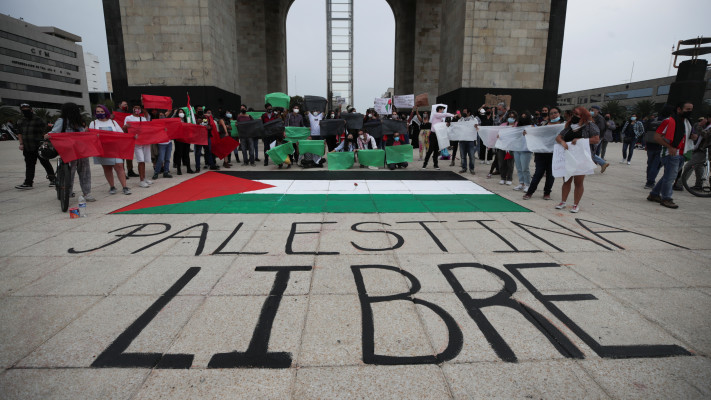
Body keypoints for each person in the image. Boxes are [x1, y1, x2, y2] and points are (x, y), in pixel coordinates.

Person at [647, 101, 695, 209]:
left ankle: (654, 194)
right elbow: (657, 136)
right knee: (670, 177)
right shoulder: (669, 121)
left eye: (691, 109)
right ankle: (666, 198)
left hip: (682, 153)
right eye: (687, 109)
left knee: (668, 176)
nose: (690, 111)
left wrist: (693, 137)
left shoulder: (688, 122)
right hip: (671, 154)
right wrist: (669, 146)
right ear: (679, 109)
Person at [554, 106, 600, 213]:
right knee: (566, 180)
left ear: (583, 115)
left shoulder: (590, 126)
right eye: (573, 114)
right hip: (569, 157)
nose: (574, 116)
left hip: (581, 157)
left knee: (578, 182)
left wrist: (581, 140)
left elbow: (596, 139)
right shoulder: (570, 126)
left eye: (577, 114)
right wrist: (562, 142)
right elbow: (558, 137)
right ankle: (563, 201)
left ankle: (575, 204)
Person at [48, 102, 94, 201]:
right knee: (70, 173)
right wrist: (49, 135)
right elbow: (54, 132)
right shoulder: (62, 121)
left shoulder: (80, 122)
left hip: (81, 150)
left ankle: (86, 193)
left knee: (85, 172)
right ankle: (67, 192)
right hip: (69, 151)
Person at [89, 105, 131, 195]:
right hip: (102, 149)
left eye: (102, 111)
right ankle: (112, 186)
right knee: (107, 168)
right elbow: (91, 136)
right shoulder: (93, 123)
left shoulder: (113, 122)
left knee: (119, 166)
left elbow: (121, 133)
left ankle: (125, 186)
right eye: (98, 112)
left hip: (115, 149)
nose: (100, 113)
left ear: (106, 112)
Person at [523, 106, 562, 200]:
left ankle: (547, 193)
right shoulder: (543, 124)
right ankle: (530, 192)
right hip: (541, 152)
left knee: (551, 174)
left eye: (555, 113)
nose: (553, 115)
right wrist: (528, 132)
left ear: (559, 114)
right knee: (538, 173)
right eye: (551, 113)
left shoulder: (563, 125)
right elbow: (536, 132)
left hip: (554, 153)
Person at [15, 103, 56, 190]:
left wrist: (46, 143)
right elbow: (19, 133)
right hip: (27, 147)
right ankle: (28, 183)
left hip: (39, 145)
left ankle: (53, 180)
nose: (25, 111)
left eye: (27, 109)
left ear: (31, 110)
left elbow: (45, 132)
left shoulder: (38, 120)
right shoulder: (21, 121)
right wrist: (21, 144)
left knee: (45, 162)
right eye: (23, 110)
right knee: (29, 165)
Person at [123, 104, 153, 188]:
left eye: (138, 108)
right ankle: (141, 180)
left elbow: (147, 127)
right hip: (136, 142)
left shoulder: (143, 118)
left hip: (145, 141)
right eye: (135, 107)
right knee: (141, 160)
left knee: (145, 160)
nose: (137, 109)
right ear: (132, 109)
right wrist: (126, 126)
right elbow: (124, 129)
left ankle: (144, 177)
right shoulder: (128, 118)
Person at [682, 114, 711, 190]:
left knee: (689, 166)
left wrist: (699, 126)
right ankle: (698, 185)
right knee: (699, 167)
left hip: (704, 150)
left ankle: (679, 184)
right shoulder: (707, 126)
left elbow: (706, 135)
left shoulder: (706, 127)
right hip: (700, 149)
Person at [422, 105, 454, 170]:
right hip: (433, 134)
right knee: (430, 150)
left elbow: (442, 126)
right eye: (442, 109)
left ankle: (435, 165)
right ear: (439, 109)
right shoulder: (435, 114)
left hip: (438, 135)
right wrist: (453, 115)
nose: (443, 111)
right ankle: (425, 164)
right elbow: (445, 114)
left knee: (436, 150)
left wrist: (446, 124)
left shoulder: (441, 118)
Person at [512, 111, 534, 191]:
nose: (523, 118)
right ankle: (521, 183)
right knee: (519, 168)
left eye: (525, 117)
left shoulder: (532, 127)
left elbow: (535, 136)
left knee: (525, 168)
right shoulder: (517, 127)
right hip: (517, 149)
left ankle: (527, 184)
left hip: (526, 150)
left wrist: (529, 133)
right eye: (522, 116)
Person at [496, 110, 517, 185]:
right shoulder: (503, 125)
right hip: (502, 147)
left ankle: (509, 178)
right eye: (510, 117)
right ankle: (503, 178)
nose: (511, 118)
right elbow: (498, 133)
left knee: (510, 164)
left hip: (510, 148)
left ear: (515, 118)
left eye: (513, 117)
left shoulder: (517, 126)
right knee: (502, 163)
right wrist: (498, 135)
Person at [457, 109, 479, 174]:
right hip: (462, 140)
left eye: (465, 112)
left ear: (469, 113)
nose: (463, 113)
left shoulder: (474, 120)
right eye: (463, 111)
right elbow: (456, 127)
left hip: (470, 141)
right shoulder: (460, 120)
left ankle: (471, 169)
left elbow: (477, 128)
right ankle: (464, 168)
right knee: (463, 156)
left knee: (471, 156)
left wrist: (476, 126)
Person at [589, 105, 610, 173]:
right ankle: (602, 163)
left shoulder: (600, 118)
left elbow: (600, 129)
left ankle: (602, 163)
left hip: (597, 137)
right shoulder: (593, 117)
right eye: (591, 110)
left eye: (593, 110)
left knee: (589, 151)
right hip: (593, 137)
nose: (591, 111)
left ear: (597, 111)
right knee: (589, 151)